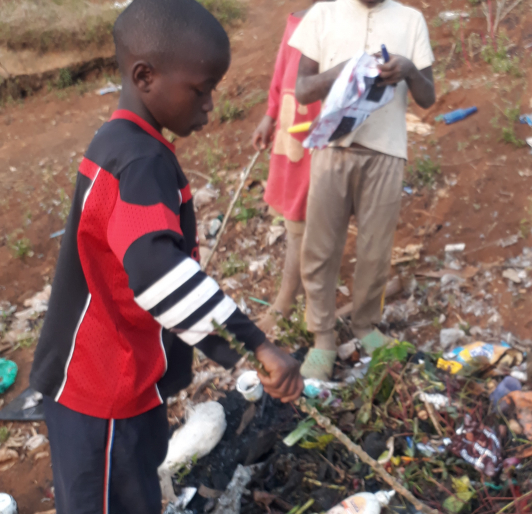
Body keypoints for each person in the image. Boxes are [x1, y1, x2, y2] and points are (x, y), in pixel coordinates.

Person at [29, 1, 303, 512]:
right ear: (145, 76)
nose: (210, 105)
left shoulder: (123, 143)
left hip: (120, 379)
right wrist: (257, 346)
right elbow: (155, 271)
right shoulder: (140, 161)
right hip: (103, 392)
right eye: (200, 89)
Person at [289, 0, 436, 380]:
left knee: (375, 250)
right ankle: (322, 338)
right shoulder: (323, 14)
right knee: (320, 247)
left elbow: (428, 97)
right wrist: (339, 73)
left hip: (387, 152)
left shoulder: (411, 20)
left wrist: (407, 70)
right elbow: (302, 90)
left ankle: (365, 328)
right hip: (333, 149)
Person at [251, 1, 328, 334]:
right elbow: (282, 71)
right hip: (290, 127)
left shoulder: (340, 21)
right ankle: (290, 298)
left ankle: (295, 300)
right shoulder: (296, 20)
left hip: (320, 126)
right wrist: (269, 116)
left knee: (315, 207)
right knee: (294, 212)